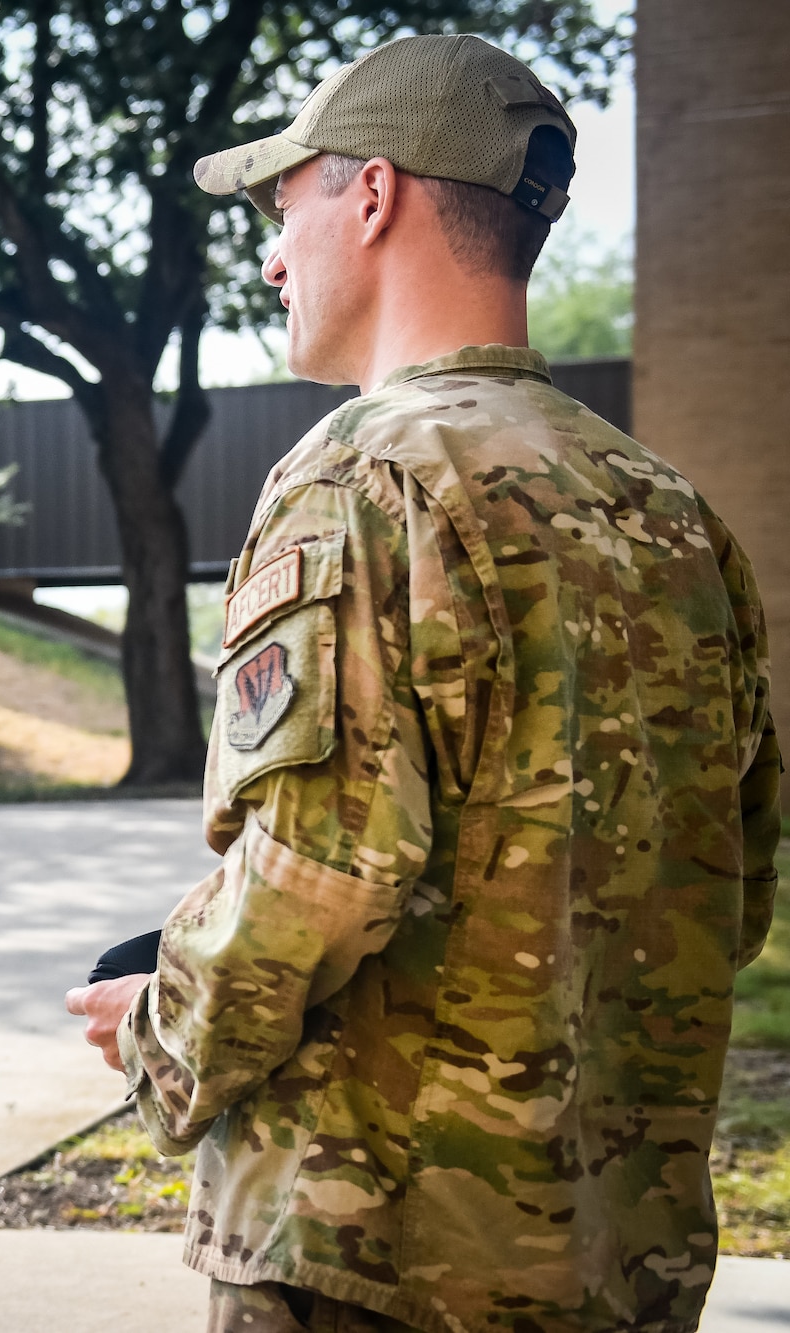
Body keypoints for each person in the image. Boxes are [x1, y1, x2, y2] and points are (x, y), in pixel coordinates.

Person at [65, 34, 778, 1333]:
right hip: (619, 1260)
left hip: (376, 1264)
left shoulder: (360, 479)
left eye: (283, 211)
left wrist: (162, 1033)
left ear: (375, 196)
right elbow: (728, 899)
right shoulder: (674, 517)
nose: (272, 257)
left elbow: (311, 881)